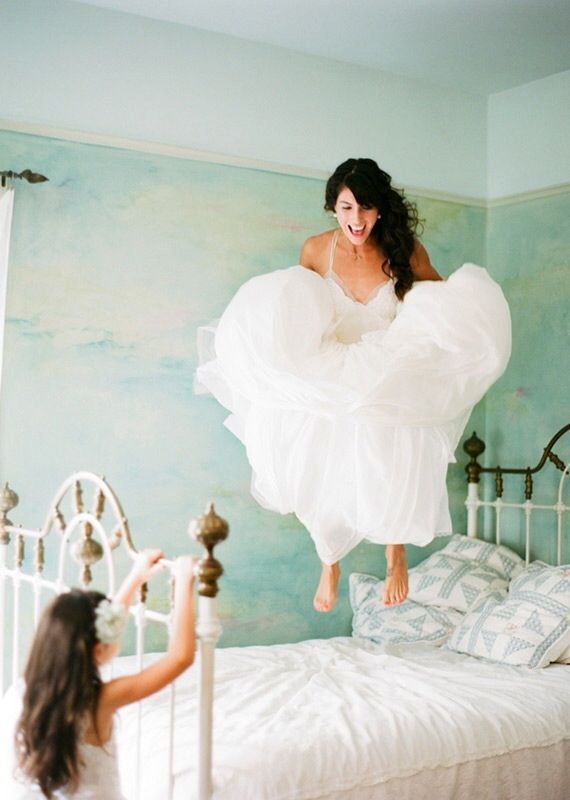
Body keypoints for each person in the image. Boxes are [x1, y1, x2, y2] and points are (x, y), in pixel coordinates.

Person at [196, 157, 511, 614]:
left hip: (388, 368)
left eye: (365, 208)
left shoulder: (406, 251)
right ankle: (329, 558)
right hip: (333, 368)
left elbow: (441, 305)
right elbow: (293, 310)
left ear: (380, 210)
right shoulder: (314, 250)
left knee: (393, 451)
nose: (355, 220)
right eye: (346, 208)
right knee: (317, 461)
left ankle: (394, 549)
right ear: (333, 208)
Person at [7, 550, 196, 799]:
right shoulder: (98, 701)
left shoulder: (27, 691)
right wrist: (185, 583)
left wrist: (136, 577)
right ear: (98, 651)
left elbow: (106, 622)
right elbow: (180, 657)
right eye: (112, 635)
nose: (116, 630)